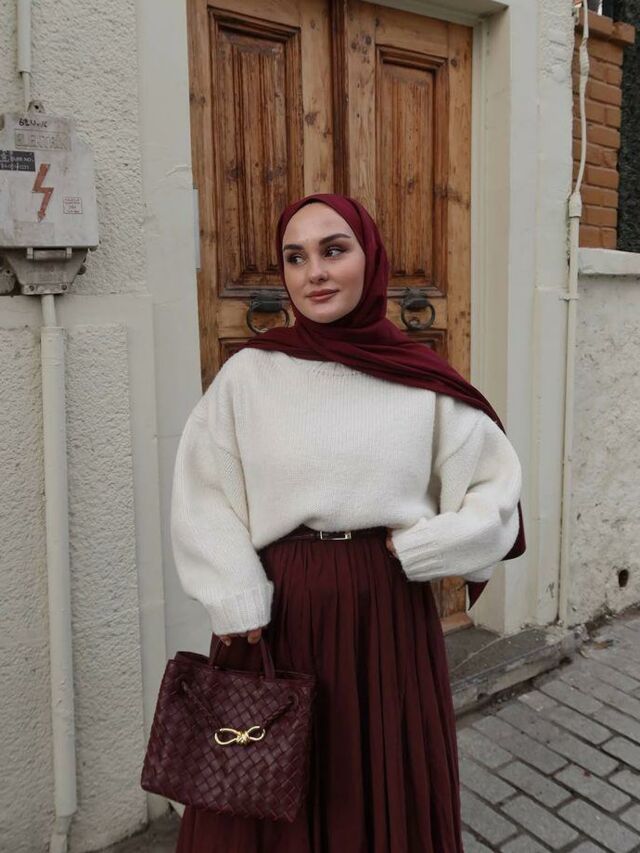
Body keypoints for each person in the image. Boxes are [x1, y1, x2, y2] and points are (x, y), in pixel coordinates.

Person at [170, 193, 526, 852]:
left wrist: (432, 546)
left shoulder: (418, 379)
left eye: (334, 250)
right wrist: (232, 591)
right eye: (295, 257)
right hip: (277, 612)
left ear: (371, 257)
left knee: (383, 780)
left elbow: (494, 487)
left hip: (385, 614)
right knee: (261, 792)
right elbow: (205, 489)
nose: (315, 273)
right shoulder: (250, 375)